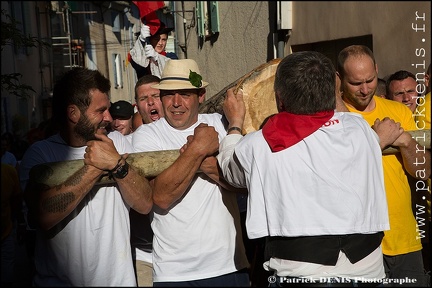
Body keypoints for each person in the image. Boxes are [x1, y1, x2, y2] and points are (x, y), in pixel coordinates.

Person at [217, 51, 392, 287]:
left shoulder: (260, 144)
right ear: (332, 92)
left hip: (302, 275)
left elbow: (230, 170)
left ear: (279, 98)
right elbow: (338, 118)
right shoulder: (359, 129)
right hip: (368, 271)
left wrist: (235, 124)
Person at [18, 67, 153, 286]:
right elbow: (42, 217)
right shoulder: (41, 154)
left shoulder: (116, 143)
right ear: (73, 113)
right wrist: (95, 168)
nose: (109, 118)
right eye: (100, 111)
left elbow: (145, 204)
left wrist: (117, 164)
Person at [132, 59, 250, 287]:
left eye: (185, 94)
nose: (176, 103)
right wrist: (198, 150)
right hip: (174, 272)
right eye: (168, 94)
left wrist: (205, 164)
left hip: (228, 265)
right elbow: (160, 197)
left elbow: (244, 183)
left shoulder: (222, 124)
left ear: (201, 95)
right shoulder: (147, 135)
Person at [337, 45, 431, 286]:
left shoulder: (398, 111)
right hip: (357, 246)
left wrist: (405, 141)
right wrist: (379, 141)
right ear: (339, 78)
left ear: (377, 70)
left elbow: (424, 170)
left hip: (403, 238)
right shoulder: (333, 119)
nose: (365, 89)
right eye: (356, 83)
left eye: (370, 80)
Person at [130, 74, 163, 287]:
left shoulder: (187, 135)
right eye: (144, 99)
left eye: (156, 95)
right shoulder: (125, 144)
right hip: (144, 253)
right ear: (137, 106)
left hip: (182, 253)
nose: (151, 102)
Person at [1, 163, 23, 287]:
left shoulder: (8, 171)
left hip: (6, 232)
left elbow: (16, 199)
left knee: (7, 276)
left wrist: (20, 223)